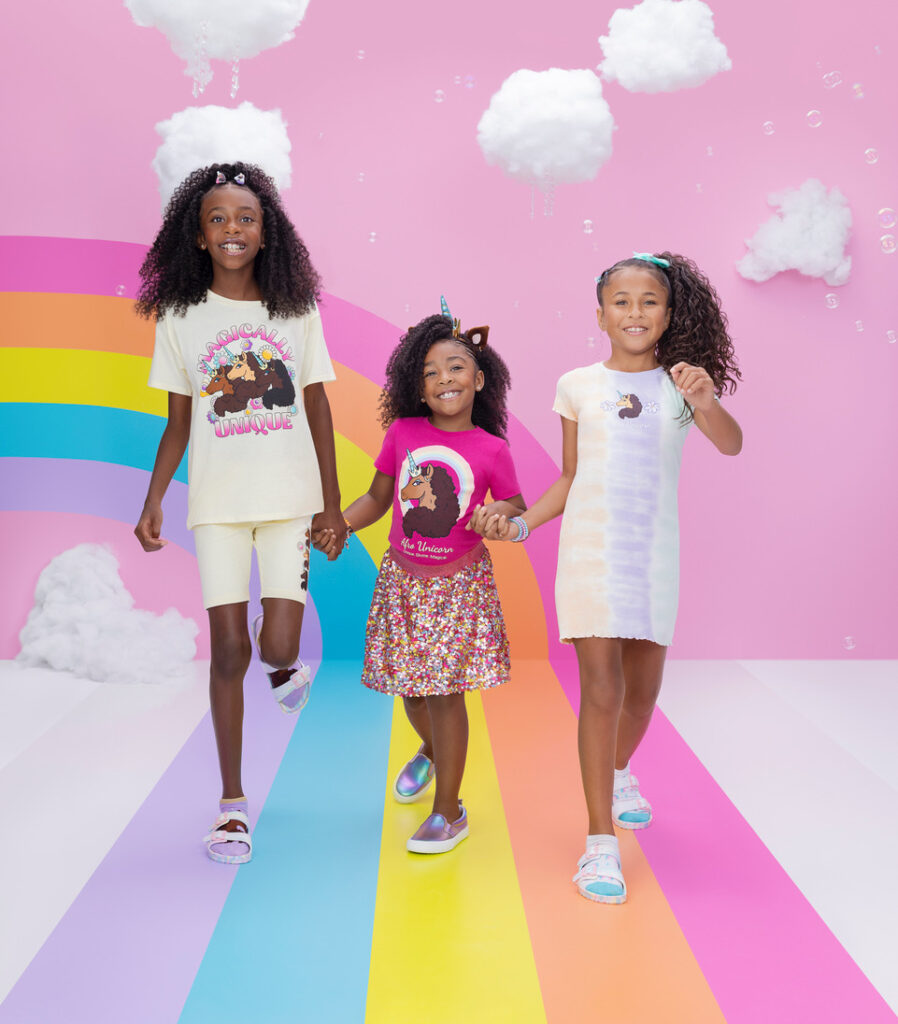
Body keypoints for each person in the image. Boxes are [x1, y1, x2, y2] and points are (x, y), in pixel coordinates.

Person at [471, 252, 742, 902]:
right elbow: (571, 477)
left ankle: (619, 770)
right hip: (591, 554)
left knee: (641, 696)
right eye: (621, 301)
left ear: (669, 314)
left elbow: (731, 444)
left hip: (653, 558)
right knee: (601, 689)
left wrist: (705, 400)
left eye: (649, 301)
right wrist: (523, 525)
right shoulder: (577, 385)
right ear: (600, 315)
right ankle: (599, 844)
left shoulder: (682, 385)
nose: (635, 313)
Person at [133, 162, 346, 864]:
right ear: (197, 235)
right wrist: (154, 498)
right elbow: (178, 422)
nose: (232, 229)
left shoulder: (296, 310)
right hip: (218, 505)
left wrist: (331, 505)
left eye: (246, 218)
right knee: (228, 651)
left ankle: (282, 663)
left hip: (289, 504)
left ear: (266, 231)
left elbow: (317, 404)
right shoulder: (180, 317)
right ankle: (231, 806)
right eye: (218, 219)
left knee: (277, 646)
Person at [315, 303, 524, 853]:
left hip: (458, 585)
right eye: (430, 372)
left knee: (446, 696)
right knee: (411, 694)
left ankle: (449, 811)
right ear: (418, 386)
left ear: (479, 379)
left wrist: (497, 515)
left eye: (455, 367)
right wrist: (340, 524)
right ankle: (433, 751)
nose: (443, 379)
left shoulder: (492, 449)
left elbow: (516, 504)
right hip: (403, 581)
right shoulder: (403, 432)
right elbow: (377, 498)